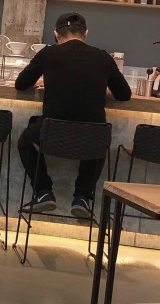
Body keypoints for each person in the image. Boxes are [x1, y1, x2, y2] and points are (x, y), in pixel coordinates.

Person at [15, 11, 131, 217]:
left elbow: (21, 84)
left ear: (56, 34)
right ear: (85, 33)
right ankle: (83, 197)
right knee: (98, 139)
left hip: (52, 136)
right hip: (90, 139)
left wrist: (45, 80)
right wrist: (101, 88)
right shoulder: (104, 57)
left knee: (25, 140)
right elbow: (124, 94)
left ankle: (43, 192)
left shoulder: (48, 54)